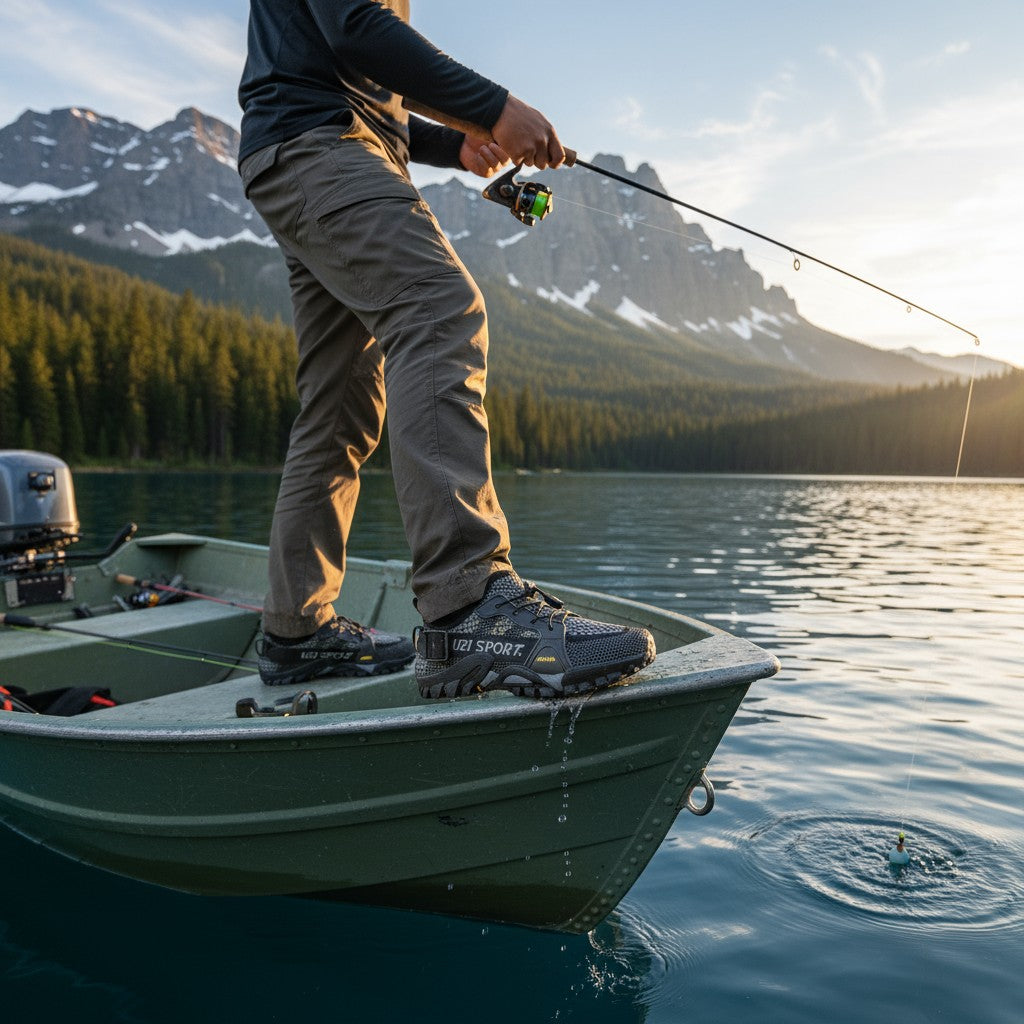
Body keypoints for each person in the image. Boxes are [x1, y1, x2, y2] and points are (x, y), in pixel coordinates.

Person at [237, 0, 655, 699]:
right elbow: (356, 29)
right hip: (319, 149)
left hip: (309, 148)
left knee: (341, 405)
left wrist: (449, 144)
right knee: (439, 309)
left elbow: (353, 72)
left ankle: (296, 632)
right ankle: (470, 608)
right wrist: (492, 108)